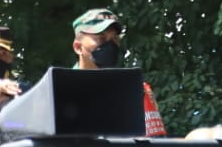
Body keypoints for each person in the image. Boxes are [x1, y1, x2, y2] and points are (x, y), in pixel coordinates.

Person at [71, 8, 166, 136]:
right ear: (78, 47)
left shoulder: (136, 90)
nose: (110, 45)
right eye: (101, 38)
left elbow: (154, 146)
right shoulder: (61, 90)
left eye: (115, 39)